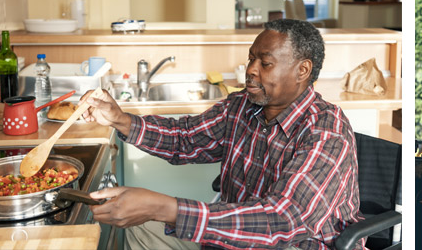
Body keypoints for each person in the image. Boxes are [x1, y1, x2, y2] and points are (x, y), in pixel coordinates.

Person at [79, 19, 363, 249]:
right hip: (233, 239)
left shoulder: (326, 130)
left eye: (265, 63)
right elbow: (185, 137)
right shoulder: (241, 106)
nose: (250, 70)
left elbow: (282, 220)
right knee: (141, 232)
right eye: (251, 59)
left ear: (302, 70)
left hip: (295, 245)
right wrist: (120, 120)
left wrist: (166, 208)